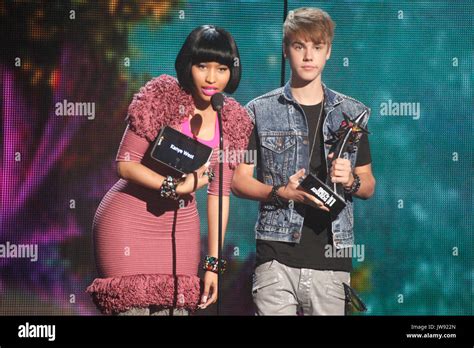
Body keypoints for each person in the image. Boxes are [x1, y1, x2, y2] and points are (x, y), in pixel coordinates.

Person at [87, 25, 252, 315]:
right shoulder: (162, 97)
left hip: (181, 230)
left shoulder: (234, 121)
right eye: (203, 66)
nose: (212, 78)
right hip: (128, 222)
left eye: (222, 68)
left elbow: (219, 196)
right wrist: (173, 186)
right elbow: (125, 164)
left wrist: (212, 265)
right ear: (189, 64)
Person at [232, 7, 375, 315]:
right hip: (275, 256)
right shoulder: (258, 111)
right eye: (299, 46)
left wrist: (351, 180)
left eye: (317, 47)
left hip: (332, 259)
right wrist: (280, 192)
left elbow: (368, 185)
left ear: (328, 52)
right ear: (286, 50)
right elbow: (239, 181)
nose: (308, 56)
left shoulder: (352, 113)